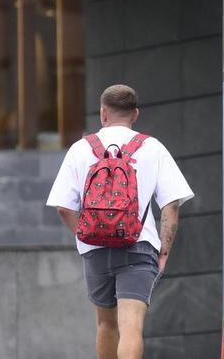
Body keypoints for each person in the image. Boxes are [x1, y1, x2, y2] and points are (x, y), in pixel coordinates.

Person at [47, 84, 195, 359]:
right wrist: (163, 252)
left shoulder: (80, 149)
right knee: (131, 328)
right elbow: (171, 205)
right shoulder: (153, 148)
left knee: (105, 323)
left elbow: (62, 208)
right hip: (139, 248)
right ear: (135, 114)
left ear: (103, 113)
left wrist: (85, 238)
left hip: (95, 251)